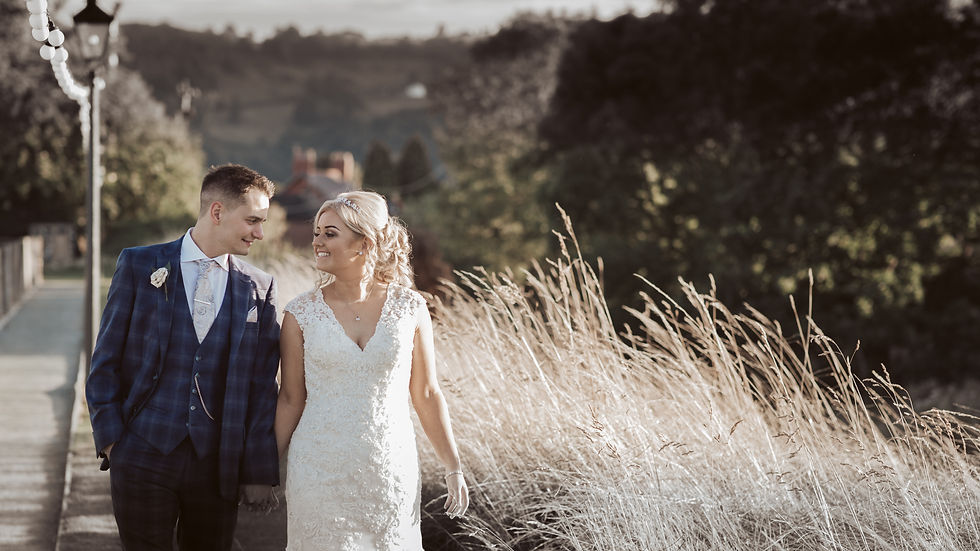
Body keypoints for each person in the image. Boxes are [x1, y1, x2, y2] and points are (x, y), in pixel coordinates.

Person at [85, 164, 281, 550]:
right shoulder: (139, 265)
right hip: (141, 453)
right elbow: (106, 360)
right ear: (217, 211)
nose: (259, 233)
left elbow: (262, 387)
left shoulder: (259, 287)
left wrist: (258, 469)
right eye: (253, 220)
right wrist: (112, 443)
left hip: (218, 463)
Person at [275, 191, 469, 550]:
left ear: (364, 243)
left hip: (390, 469)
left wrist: (452, 465)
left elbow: (427, 393)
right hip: (318, 472)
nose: (317, 241)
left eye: (329, 233)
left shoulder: (410, 307)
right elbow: (290, 399)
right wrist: (264, 469)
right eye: (317, 232)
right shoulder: (299, 314)